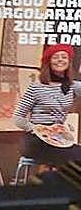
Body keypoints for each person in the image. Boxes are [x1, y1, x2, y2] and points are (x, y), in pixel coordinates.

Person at [12, 45, 81, 176]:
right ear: (48, 62)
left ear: (69, 61)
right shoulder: (35, 88)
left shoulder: (73, 86)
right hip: (35, 139)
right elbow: (18, 118)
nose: (60, 60)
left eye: (64, 57)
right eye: (55, 57)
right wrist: (38, 129)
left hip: (60, 139)